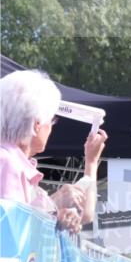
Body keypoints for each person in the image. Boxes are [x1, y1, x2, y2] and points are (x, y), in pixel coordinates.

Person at [0, 69, 107, 233]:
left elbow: (84, 214)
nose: (51, 128)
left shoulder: (16, 164)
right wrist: (55, 202)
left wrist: (91, 163)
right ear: (37, 124)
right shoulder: (6, 163)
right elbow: (10, 231)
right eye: (51, 120)